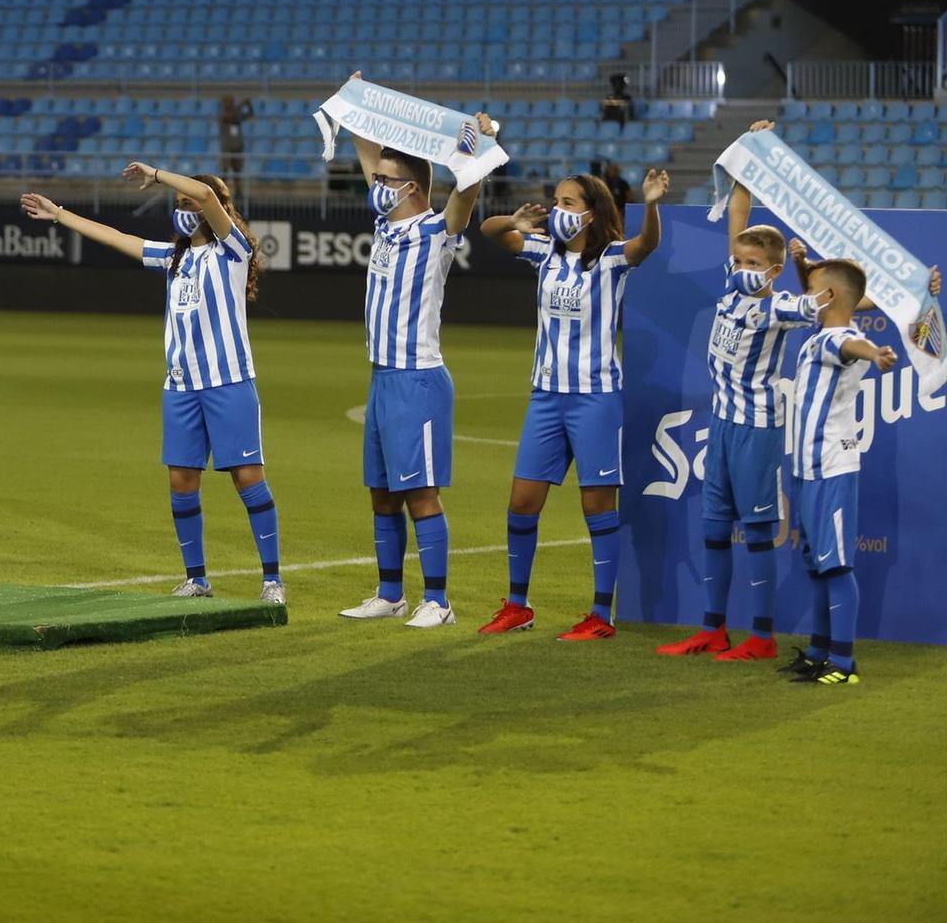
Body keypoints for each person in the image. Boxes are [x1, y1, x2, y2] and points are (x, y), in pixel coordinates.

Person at [20, 164, 283, 606]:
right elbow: (115, 237)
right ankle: (196, 578)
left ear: (212, 208)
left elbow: (203, 191)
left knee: (248, 478)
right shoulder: (172, 258)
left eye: (190, 205)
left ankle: (272, 580)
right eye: (178, 206)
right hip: (180, 387)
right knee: (181, 480)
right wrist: (59, 214)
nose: (184, 210)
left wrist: (161, 175)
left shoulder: (231, 252)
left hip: (228, 383)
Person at [477, 166, 669, 639]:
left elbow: (647, 245)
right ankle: (518, 606)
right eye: (557, 201)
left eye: (569, 203)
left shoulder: (611, 259)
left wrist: (653, 204)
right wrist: (515, 222)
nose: (559, 209)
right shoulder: (543, 252)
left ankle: (602, 614)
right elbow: (488, 231)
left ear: (592, 212)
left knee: (597, 505)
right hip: (545, 396)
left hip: (595, 397)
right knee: (522, 502)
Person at [336, 91, 494, 629]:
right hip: (382, 377)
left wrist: (473, 153)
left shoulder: (434, 231)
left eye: (386, 181)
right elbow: (366, 150)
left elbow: (465, 200)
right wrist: (354, 104)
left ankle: (440, 601)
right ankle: (390, 594)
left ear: (414, 189)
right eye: (377, 179)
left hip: (418, 378)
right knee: (382, 492)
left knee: (420, 492)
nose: (377, 187)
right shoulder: (386, 226)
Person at [658, 129, 818, 660]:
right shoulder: (731, 286)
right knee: (712, 529)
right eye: (742, 262)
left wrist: (807, 270)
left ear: (773, 271)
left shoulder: (779, 305)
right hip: (723, 424)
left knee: (756, 530)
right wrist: (748, 159)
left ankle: (764, 637)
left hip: (757, 427)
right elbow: (737, 217)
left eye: (755, 266)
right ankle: (712, 628)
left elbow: (825, 303)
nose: (745, 271)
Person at [778, 255, 937, 686]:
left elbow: (853, 343)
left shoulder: (840, 338)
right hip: (807, 467)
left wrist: (877, 351)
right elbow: (842, 300)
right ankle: (817, 652)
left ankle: (843, 664)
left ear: (826, 297)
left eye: (810, 291)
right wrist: (803, 265)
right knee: (816, 565)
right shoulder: (820, 329)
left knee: (836, 566)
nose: (802, 297)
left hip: (831, 466)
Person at [217, 95, 253, 196]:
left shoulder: (237, 116)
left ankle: (239, 193)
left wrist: (249, 105)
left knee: (237, 172)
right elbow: (230, 116)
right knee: (225, 171)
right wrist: (241, 105)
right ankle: (221, 193)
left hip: (238, 148)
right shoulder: (223, 115)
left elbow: (250, 115)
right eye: (230, 102)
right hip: (227, 149)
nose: (232, 104)